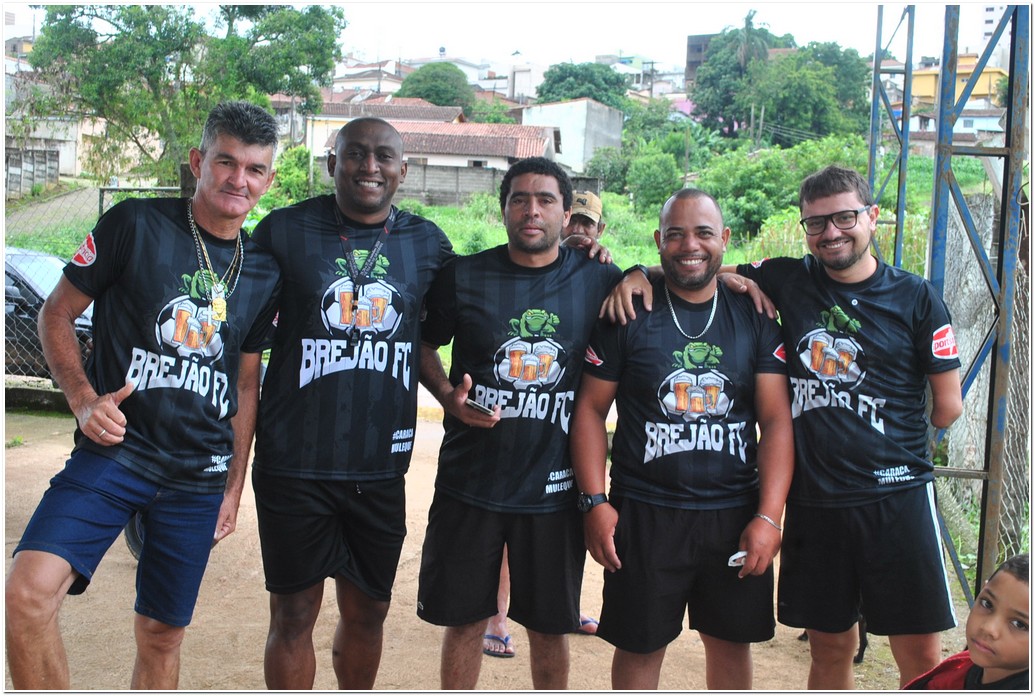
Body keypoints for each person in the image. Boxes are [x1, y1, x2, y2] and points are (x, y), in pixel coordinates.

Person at [607, 165, 965, 689]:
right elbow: (698, 264)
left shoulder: (916, 297)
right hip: (816, 503)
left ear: (872, 217)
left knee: (920, 653)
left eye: (845, 218)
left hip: (897, 498)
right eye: (816, 223)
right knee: (830, 648)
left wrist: (888, 440)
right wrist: (637, 272)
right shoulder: (787, 277)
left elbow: (947, 407)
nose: (831, 232)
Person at [5, 101, 281, 690]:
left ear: (268, 179)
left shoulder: (263, 269)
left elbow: (245, 382)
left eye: (254, 169)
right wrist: (82, 398)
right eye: (226, 162)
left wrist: (234, 486)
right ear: (197, 162)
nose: (238, 179)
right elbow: (56, 313)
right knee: (27, 594)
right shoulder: (133, 223)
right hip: (117, 453)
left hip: (199, 475)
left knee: (161, 635)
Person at [248, 117, 454, 690]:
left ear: (403, 170)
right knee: (293, 615)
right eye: (356, 154)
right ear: (331, 163)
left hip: (379, 467)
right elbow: (237, 322)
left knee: (369, 612)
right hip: (293, 463)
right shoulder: (282, 231)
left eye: (384, 156)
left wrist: (598, 261)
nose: (370, 166)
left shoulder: (429, 244)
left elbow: (433, 335)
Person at [569, 188, 793, 690]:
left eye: (703, 233)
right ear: (658, 240)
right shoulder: (629, 312)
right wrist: (595, 501)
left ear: (724, 238)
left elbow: (777, 420)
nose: (689, 245)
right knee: (639, 648)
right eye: (676, 234)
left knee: (731, 648)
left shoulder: (754, 315)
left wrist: (768, 516)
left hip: (733, 513)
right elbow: (590, 410)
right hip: (646, 513)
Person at [416, 156, 623, 689]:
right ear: (503, 208)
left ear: (566, 212)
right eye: (520, 199)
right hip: (470, 485)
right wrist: (446, 396)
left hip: (553, 494)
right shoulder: (463, 275)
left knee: (549, 629)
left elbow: (663, 283)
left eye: (546, 200)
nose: (532, 210)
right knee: (465, 622)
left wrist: (647, 272)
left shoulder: (599, 278)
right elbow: (422, 344)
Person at [484, 189, 607, 659]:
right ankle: (497, 616)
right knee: (507, 529)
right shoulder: (522, 267)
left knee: (569, 529)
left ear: (599, 231)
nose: (579, 232)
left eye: (587, 225)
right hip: (513, 429)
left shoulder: (600, 277)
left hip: (570, 434)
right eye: (575, 223)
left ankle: (566, 609)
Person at [905, 553, 1029, 690]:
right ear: (982, 590)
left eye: (1019, 624)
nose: (988, 628)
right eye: (987, 604)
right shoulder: (955, 673)